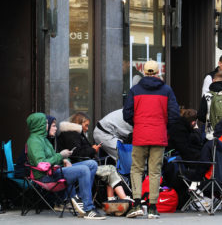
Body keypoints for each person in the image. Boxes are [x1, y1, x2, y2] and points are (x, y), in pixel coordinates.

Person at [123, 60, 179, 219]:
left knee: (136, 169)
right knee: (155, 171)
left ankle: (136, 204)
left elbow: (126, 114)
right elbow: (174, 115)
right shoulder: (167, 90)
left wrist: (138, 124)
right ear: (157, 73)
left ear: (144, 72)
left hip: (140, 134)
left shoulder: (135, 90)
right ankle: (153, 208)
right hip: (158, 135)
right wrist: (163, 127)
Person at [25, 112, 105, 220]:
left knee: (92, 164)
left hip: (54, 171)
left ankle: (80, 198)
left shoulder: (44, 140)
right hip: (46, 176)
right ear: (39, 124)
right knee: (84, 169)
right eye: (45, 123)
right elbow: (42, 165)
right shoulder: (34, 141)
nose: (47, 125)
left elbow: (55, 157)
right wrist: (60, 156)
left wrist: (65, 159)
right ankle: (88, 209)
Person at [57, 112, 130, 202]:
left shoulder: (72, 134)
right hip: (79, 165)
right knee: (110, 169)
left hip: (81, 164)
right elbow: (77, 153)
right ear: (79, 123)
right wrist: (93, 150)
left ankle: (112, 200)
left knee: (110, 169)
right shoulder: (71, 134)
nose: (87, 129)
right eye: (86, 125)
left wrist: (92, 150)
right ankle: (121, 199)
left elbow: (77, 151)